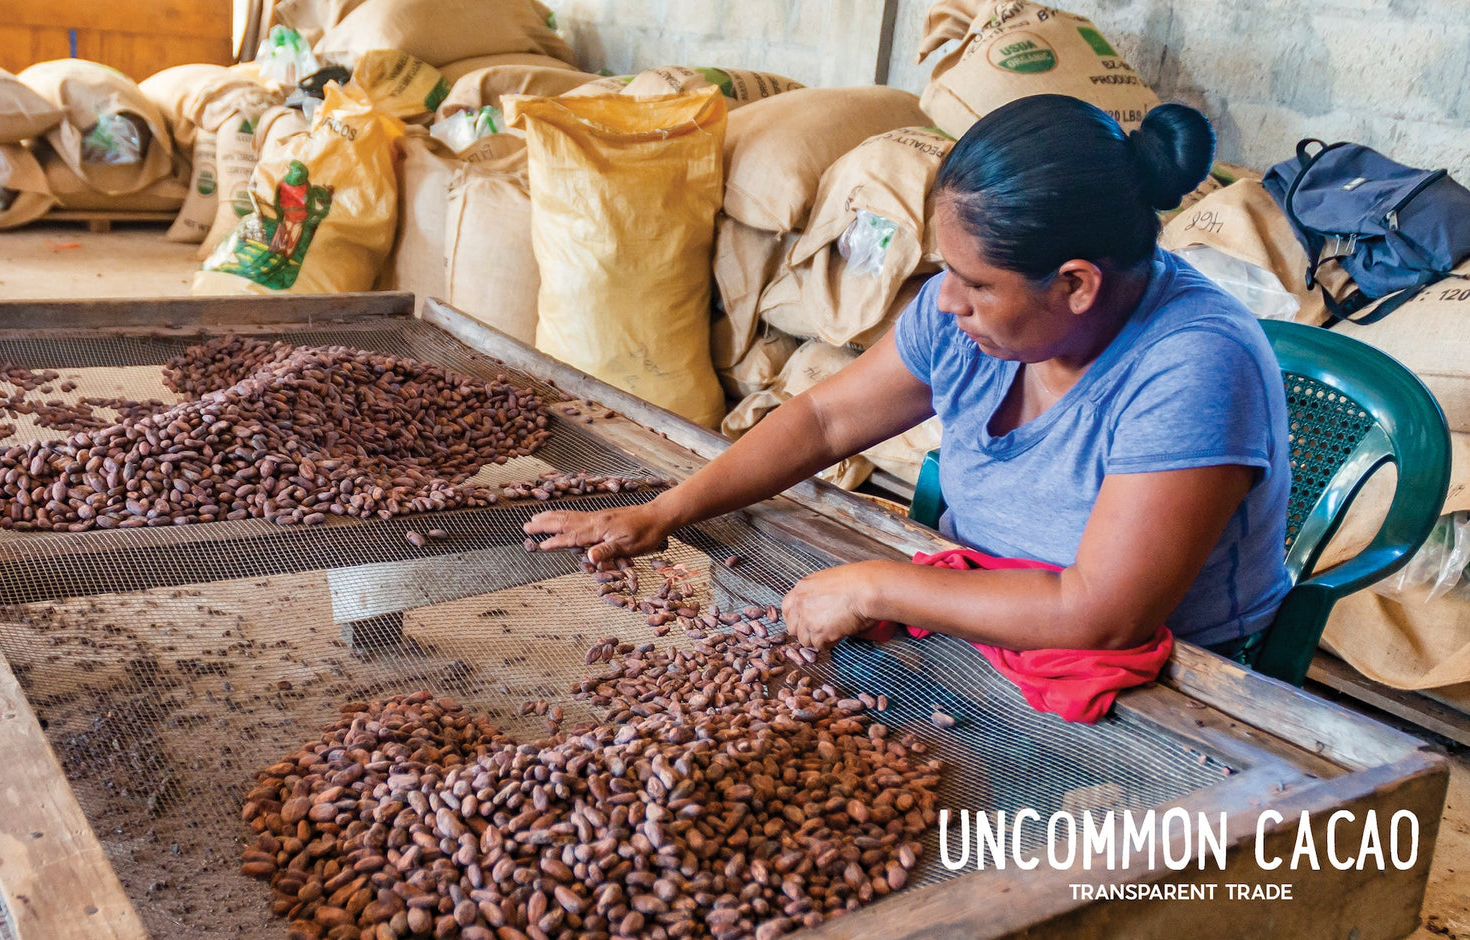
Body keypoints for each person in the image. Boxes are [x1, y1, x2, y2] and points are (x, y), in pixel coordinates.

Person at [526, 94, 1292, 662]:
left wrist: (874, 585)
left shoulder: (1195, 364)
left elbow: (1099, 614)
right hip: (976, 608)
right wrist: (667, 510)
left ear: (1077, 284)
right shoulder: (964, 313)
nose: (944, 299)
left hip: (1164, 673)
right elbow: (827, 420)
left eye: (976, 283)